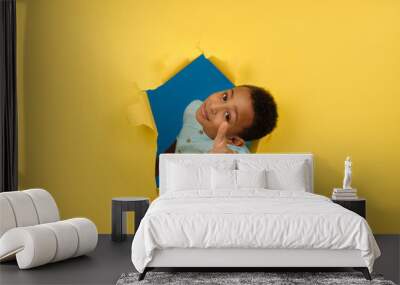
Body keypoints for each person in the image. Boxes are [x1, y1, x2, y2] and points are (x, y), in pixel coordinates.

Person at [174, 84, 278, 154]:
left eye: (227, 116)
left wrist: (221, 165)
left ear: (234, 140)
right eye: (224, 97)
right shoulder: (194, 108)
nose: (213, 107)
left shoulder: (231, 157)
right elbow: (181, 140)